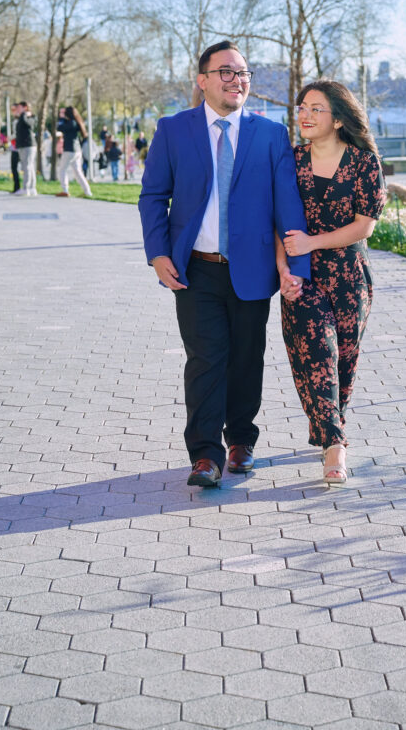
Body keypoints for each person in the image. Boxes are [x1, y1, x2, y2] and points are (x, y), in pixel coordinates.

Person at [138, 40, 310, 489]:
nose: (238, 81)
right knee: (205, 360)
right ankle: (204, 456)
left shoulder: (270, 134)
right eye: (227, 72)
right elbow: (153, 196)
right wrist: (157, 254)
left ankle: (241, 441)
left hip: (253, 270)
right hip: (194, 270)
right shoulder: (173, 130)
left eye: (244, 73)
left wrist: (298, 268)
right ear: (203, 80)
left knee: (247, 360)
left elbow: (287, 206)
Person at [278, 81, 386, 486]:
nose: (304, 115)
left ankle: (325, 428)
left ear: (339, 118)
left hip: (349, 276)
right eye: (302, 107)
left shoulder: (363, 163)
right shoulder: (289, 161)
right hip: (303, 276)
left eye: (316, 109)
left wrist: (312, 241)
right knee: (316, 355)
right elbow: (276, 223)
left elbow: (364, 227)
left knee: (343, 362)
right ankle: (335, 445)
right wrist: (285, 270)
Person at [56, 106, 93, 198]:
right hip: (76, 150)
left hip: (69, 150)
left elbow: (59, 128)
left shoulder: (70, 123)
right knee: (77, 171)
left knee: (62, 169)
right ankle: (87, 191)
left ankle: (65, 190)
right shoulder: (76, 122)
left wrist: (61, 118)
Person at [15, 101, 37, 197]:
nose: (17, 109)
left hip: (29, 145)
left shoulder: (30, 116)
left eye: (19, 107)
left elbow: (28, 124)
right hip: (22, 145)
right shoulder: (21, 117)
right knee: (28, 166)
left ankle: (26, 188)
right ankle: (31, 188)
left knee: (28, 166)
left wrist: (24, 114)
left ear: (25, 107)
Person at [9, 104, 21, 194]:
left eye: (14, 110)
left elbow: (17, 134)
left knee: (14, 166)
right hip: (15, 146)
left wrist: (9, 137)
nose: (12, 112)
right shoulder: (17, 120)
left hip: (17, 147)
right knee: (15, 167)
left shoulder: (17, 121)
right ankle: (17, 187)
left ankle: (17, 187)